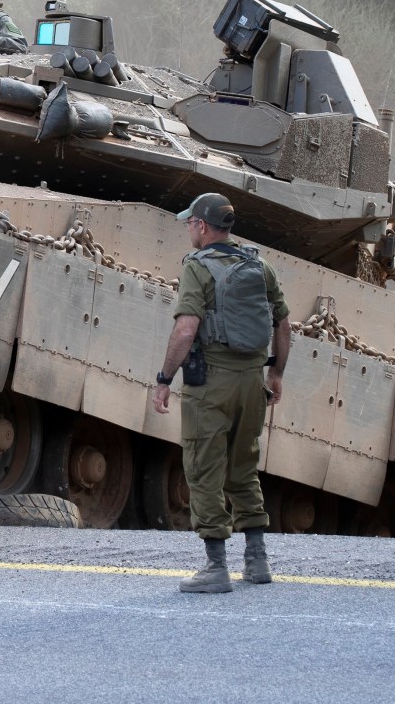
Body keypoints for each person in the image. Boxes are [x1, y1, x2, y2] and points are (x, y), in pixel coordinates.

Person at [151, 192, 291, 593]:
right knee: (244, 466)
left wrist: (164, 379)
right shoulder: (259, 265)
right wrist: (276, 373)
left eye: (190, 223)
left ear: (202, 226)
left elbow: (186, 330)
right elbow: (283, 325)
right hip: (252, 382)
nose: (189, 230)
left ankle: (215, 568)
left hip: (211, 382)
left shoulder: (197, 267)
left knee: (203, 466)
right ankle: (257, 561)